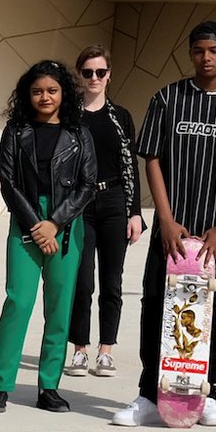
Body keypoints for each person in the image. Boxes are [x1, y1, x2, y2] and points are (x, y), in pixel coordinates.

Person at [112, 21, 216, 429]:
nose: (207, 57)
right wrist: (164, 219)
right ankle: (149, 395)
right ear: (191, 54)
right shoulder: (168, 99)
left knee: (212, 310)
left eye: (214, 50)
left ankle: (207, 393)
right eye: (199, 50)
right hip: (174, 232)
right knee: (156, 308)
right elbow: (152, 159)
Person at [0, 61, 96, 414]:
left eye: (51, 90)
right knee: (17, 302)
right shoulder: (16, 131)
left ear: (64, 93)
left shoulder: (79, 133)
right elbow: (8, 181)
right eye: (37, 91)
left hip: (65, 226)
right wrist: (37, 224)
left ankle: (49, 387)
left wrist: (56, 223)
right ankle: (0, 385)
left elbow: (88, 184)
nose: (44, 97)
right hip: (26, 222)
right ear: (27, 95)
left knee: (59, 308)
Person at [65, 46, 143, 379]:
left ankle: (106, 350)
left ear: (109, 74)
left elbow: (131, 168)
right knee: (82, 282)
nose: (94, 78)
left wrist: (135, 212)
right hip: (80, 204)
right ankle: (79, 349)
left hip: (113, 201)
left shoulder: (121, 116)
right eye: (87, 72)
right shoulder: (69, 115)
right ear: (79, 76)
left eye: (100, 72)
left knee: (112, 281)